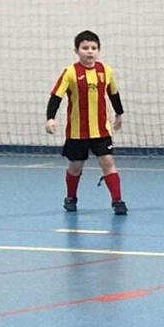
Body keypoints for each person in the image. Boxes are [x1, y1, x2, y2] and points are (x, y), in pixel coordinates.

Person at [46, 29, 126, 215]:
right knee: (75, 167)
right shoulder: (70, 72)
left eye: (93, 48)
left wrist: (119, 114)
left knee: (108, 162)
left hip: (101, 130)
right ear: (77, 51)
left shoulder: (106, 70)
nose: (90, 51)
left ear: (98, 50)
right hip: (77, 132)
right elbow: (56, 96)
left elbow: (113, 93)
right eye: (85, 48)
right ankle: (71, 197)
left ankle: (117, 201)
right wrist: (50, 118)